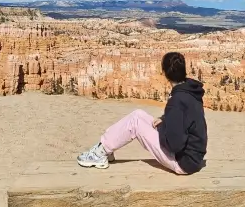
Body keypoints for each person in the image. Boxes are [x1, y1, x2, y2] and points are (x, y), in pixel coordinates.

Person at [77, 51, 207, 175]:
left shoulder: (177, 100)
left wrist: (162, 130)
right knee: (138, 114)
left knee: (135, 123)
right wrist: (166, 120)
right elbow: (186, 117)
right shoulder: (190, 91)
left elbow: (175, 144)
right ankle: (106, 149)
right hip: (194, 157)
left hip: (184, 162)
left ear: (164, 73)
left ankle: (99, 154)